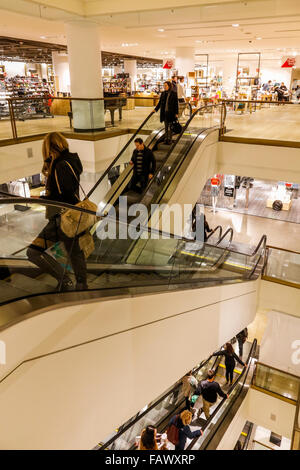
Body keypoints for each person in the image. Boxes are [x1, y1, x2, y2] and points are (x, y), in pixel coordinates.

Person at [27, 132, 87, 291]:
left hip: (61, 219)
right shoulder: (71, 160)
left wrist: (47, 197)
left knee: (33, 252)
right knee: (75, 252)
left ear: (50, 148)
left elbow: (65, 193)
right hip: (71, 217)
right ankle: (82, 285)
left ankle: (65, 280)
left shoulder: (61, 165)